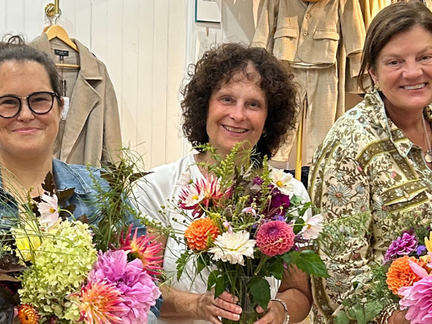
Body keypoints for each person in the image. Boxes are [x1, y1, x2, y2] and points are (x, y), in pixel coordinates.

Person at [0, 35, 135, 323]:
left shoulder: (103, 191)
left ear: (60, 107)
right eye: (9, 103)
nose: (26, 115)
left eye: (39, 100)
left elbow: (143, 288)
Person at [309, 2, 432, 324]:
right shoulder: (349, 143)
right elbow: (337, 275)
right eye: (395, 62)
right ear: (372, 71)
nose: (413, 72)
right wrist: (415, 316)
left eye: (425, 57)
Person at [134, 43, 313, 324]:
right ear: (204, 106)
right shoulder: (157, 187)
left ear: (268, 120)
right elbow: (137, 288)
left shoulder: (290, 194)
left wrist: (279, 311)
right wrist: (196, 305)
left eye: (253, 104)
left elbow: (299, 291)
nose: (238, 115)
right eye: (227, 99)